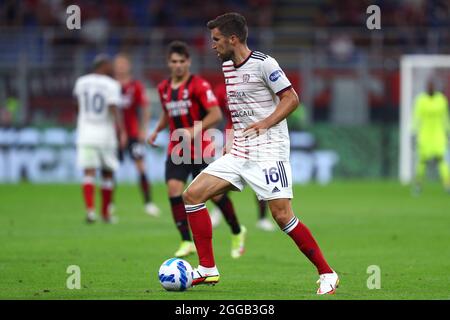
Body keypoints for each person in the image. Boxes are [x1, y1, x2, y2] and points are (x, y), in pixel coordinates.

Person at [182, 13, 339, 295]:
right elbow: (241, 109)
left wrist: (265, 123)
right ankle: (207, 269)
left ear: (233, 39)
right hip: (240, 150)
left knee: (282, 217)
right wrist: (232, 139)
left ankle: (327, 273)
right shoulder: (228, 67)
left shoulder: (264, 64)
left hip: (269, 151)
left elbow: (291, 98)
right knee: (192, 196)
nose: (212, 46)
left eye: (216, 40)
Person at [147, 41, 247, 258]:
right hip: (177, 149)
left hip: (201, 149)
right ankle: (185, 241)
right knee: (174, 190)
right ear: (168, 63)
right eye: (174, 62)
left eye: (182, 61)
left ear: (188, 62)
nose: (178, 65)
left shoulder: (199, 86)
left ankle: (237, 231)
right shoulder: (164, 88)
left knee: (215, 197)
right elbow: (167, 113)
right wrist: (156, 130)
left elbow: (216, 115)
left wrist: (193, 130)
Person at [209, 81, 276, 231]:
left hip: (256, 134)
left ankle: (262, 219)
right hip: (232, 135)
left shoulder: (253, 86)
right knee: (227, 176)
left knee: (260, 176)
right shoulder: (221, 90)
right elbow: (215, 114)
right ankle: (218, 211)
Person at [73, 54, 126, 223]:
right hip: (105, 135)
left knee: (88, 173)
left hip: (85, 133)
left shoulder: (81, 82)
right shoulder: (111, 84)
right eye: (109, 65)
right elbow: (112, 107)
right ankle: (105, 213)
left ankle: (90, 211)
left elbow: (77, 105)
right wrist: (121, 130)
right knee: (108, 173)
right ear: (103, 66)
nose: (112, 68)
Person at [113, 53, 161, 216]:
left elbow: (145, 109)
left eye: (123, 64)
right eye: (118, 64)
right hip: (114, 133)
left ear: (128, 66)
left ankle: (148, 203)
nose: (120, 67)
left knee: (140, 166)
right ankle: (109, 204)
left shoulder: (136, 86)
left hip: (133, 134)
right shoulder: (110, 85)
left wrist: (143, 130)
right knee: (110, 167)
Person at [412, 81, 450, 193]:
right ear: (426, 88)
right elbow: (416, 117)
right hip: (424, 135)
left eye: (432, 86)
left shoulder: (441, 100)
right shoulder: (421, 100)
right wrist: (413, 133)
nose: (430, 88)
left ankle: (447, 184)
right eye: (429, 86)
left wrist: (448, 132)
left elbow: (445, 118)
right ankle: (418, 185)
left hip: (439, 135)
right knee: (422, 161)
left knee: (442, 160)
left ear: (435, 87)